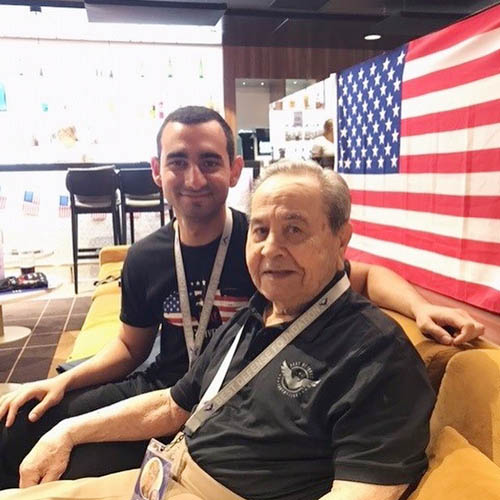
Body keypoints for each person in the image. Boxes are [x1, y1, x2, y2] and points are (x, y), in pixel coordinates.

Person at [0, 107, 483, 488]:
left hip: (223, 408)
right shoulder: (150, 257)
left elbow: (363, 278)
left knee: (79, 462)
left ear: (233, 170)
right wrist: (66, 382)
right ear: (156, 172)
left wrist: (420, 308)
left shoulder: (275, 264)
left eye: (209, 161)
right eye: (178, 162)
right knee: (21, 422)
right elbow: (130, 349)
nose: (193, 178)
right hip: (174, 390)